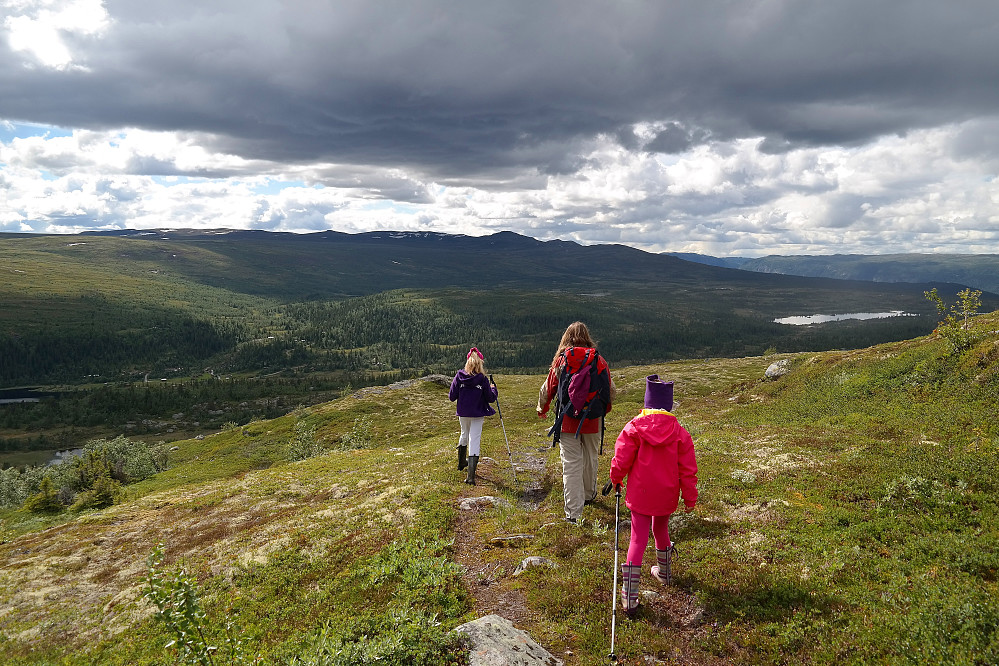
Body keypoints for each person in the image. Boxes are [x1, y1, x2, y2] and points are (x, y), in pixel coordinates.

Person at [609, 374, 698, 616]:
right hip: (667, 495)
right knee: (661, 529)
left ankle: (629, 596)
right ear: (669, 405)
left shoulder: (634, 428)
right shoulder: (680, 433)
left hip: (641, 493)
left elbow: (621, 459)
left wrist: (615, 479)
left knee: (638, 538)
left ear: (646, 402)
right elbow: (688, 470)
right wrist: (690, 498)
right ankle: (665, 573)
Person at [537, 321, 615, 523]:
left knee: (571, 464)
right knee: (590, 458)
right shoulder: (598, 360)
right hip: (592, 419)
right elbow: (610, 391)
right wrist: (601, 412)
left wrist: (542, 408)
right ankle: (589, 495)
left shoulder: (562, 360)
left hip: (568, 420)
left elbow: (548, 388)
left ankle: (573, 513)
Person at [448, 347, 497, 485]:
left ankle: (461, 463)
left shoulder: (459, 376)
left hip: (463, 412)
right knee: (474, 439)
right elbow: (490, 398)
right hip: (477, 413)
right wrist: (494, 388)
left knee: (464, 433)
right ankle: (470, 477)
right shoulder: (482, 379)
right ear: (480, 363)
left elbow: (452, 396)